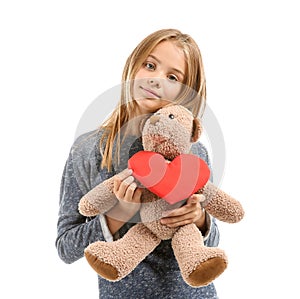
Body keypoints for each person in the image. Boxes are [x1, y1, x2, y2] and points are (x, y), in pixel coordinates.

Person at [56, 28, 221, 299]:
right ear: (134, 66)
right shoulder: (89, 150)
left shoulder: (195, 153)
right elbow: (66, 247)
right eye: (150, 65)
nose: (156, 79)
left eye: (172, 77)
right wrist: (118, 214)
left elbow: (212, 243)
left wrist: (200, 219)